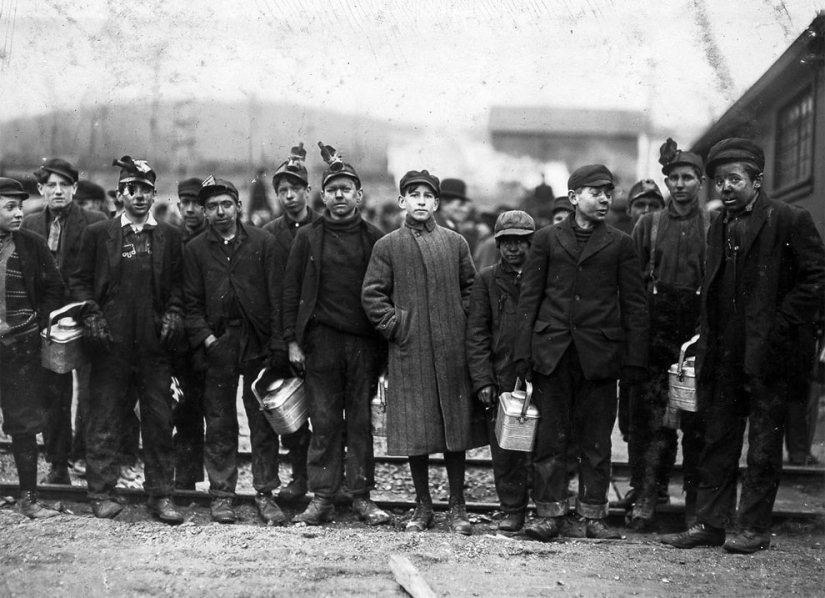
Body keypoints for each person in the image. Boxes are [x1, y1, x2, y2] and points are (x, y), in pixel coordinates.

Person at [660, 138, 825, 554]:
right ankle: (711, 524)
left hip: (770, 355)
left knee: (765, 444)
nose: (725, 188)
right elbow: (712, 291)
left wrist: (781, 326)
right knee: (718, 439)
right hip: (725, 354)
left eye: (735, 179)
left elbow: (817, 279)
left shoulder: (790, 219)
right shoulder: (718, 225)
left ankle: (754, 528)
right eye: (719, 181)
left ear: (758, 181)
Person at [515, 164, 649, 541]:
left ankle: (592, 515)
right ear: (574, 198)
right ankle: (550, 514)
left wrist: (635, 358)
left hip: (600, 356)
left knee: (596, 440)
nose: (605, 198)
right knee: (549, 439)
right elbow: (530, 298)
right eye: (595, 191)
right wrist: (523, 353)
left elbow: (635, 304)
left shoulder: (621, 243)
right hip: (552, 352)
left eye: (608, 191)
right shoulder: (545, 239)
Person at [363, 170, 484, 535]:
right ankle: (422, 505)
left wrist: (459, 320)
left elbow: (471, 288)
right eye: (412, 194)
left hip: (450, 350)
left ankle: (458, 507)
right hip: (410, 349)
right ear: (402, 202)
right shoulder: (387, 245)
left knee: (455, 428)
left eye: (426, 196)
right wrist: (398, 325)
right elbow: (372, 294)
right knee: (417, 430)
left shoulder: (455, 243)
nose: (419, 201)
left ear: (435, 203)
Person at [70, 156, 184, 524]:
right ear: (119, 195)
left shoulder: (168, 236)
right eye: (130, 190)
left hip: (153, 345)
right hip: (110, 343)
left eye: (145, 190)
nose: (138, 196)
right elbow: (79, 281)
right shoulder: (97, 234)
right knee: (103, 417)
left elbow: (180, 287)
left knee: (159, 419)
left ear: (153, 195)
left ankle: (161, 496)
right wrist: (91, 313)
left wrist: (173, 312)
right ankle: (101, 493)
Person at [282, 144, 391, 527]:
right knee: (324, 422)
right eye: (333, 189)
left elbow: (385, 295)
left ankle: (361, 497)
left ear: (359, 195)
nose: (340, 195)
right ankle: (323, 497)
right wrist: (293, 341)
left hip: (362, 344)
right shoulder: (308, 238)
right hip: (321, 343)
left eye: (347, 189)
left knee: (360, 423)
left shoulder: (376, 239)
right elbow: (290, 293)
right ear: (323, 195)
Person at [183, 176, 286, 524]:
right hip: (219, 345)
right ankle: (222, 495)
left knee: (262, 421)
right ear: (204, 211)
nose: (220, 211)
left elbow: (277, 297)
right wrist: (208, 340)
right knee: (220, 421)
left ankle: (265, 492)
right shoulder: (195, 249)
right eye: (211, 206)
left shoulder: (263, 242)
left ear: (238, 206)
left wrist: (276, 343)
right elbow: (191, 303)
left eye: (226, 204)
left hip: (257, 344)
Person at [622, 141, 712, 531]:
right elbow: (634, 283)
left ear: (700, 181)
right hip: (656, 327)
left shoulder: (714, 223)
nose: (680, 185)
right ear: (667, 181)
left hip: (697, 327)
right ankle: (645, 498)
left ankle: (697, 507)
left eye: (687, 178)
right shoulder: (649, 224)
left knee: (695, 417)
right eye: (673, 178)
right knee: (651, 419)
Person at [21, 159, 106, 485]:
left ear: (74, 188)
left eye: (64, 185)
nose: (58, 191)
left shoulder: (94, 222)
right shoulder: (28, 223)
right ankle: (58, 464)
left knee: (91, 393)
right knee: (54, 394)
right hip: (47, 323)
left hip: (85, 318)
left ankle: (87, 457)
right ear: (41, 189)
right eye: (51, 186)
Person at [465, 210, 535, 532]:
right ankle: (512, 508)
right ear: (498, 243)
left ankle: (546, 508)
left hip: (539, 372)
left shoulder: (542, 275)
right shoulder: (487, 279)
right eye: (506, 242)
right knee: (505, 447)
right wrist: (483, 379)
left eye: (520, 242)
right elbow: (477, 333)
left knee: (543, 443)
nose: (513, 249)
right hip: (502, 373)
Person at [0, 177, 65, 518]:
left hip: (20, 348)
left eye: (20, 206)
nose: (18, 213)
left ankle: (29, 498)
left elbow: (55, 287)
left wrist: (39, 322)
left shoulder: (33, 245)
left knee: (23, 424)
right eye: (9, 207)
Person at [262, 144, 317, 502]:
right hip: (284, 334)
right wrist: (282, 340)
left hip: (318, 332)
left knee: (328, 414)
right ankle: (299, 477)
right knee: (290, 412)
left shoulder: (324, 227)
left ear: (307, 191)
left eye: (294, 188)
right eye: (282, 190)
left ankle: (330, 481)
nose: (288, 195)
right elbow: (270, 290)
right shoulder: (269, 234)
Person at [171, 177, 207, 491]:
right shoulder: (173, 240)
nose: (192, 210)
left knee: (213, 411)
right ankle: (185, 477)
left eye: (197, 203)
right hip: (180, 342)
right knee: (184, 409)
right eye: (186, 203)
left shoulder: (211, 241)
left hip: (208, 339)